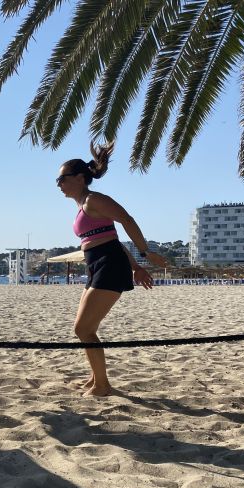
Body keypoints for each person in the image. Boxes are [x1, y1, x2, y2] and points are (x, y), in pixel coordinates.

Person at [57, 141, 167, 397]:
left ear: (81, 177)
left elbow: (126, 220)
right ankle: (96, 378)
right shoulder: (81, 205)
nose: (59, 184)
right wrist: (136, 267)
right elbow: (111, 238)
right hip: (98, 263)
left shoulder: (94, 200)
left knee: (83, 329)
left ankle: (103, 385)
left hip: (109, 264)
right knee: (85, 329)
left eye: (62, 178)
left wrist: (145, 252)